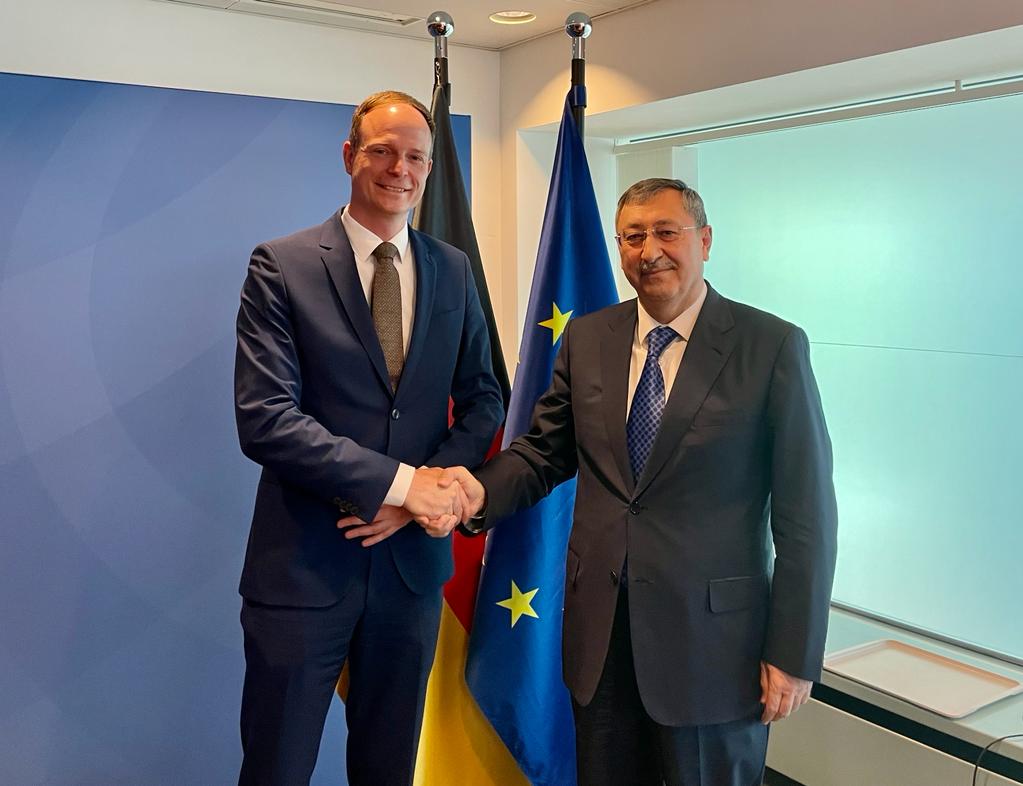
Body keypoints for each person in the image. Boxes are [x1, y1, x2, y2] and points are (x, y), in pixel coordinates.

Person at [428, 178, 838, 786]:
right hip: (602, 646)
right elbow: (542, 453)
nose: (651, 251)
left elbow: (808, 517)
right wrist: (475, 492)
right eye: (633, 236)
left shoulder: (771, 346)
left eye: (667, 232)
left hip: (715, 652)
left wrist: (794, 652)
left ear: (705, 240)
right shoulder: (589, 338)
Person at [233, 90, 503, 785]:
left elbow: (484, 401)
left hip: (409, 576)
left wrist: (417, 499)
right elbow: (265, 418)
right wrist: (402, 485)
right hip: (304, 569)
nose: (398, 169)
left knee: (389, 769)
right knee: (277, 768)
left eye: (414, 156)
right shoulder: (282, 264)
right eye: (381, 151)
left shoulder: (452, 269)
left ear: (429, 167)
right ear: (350, 155)